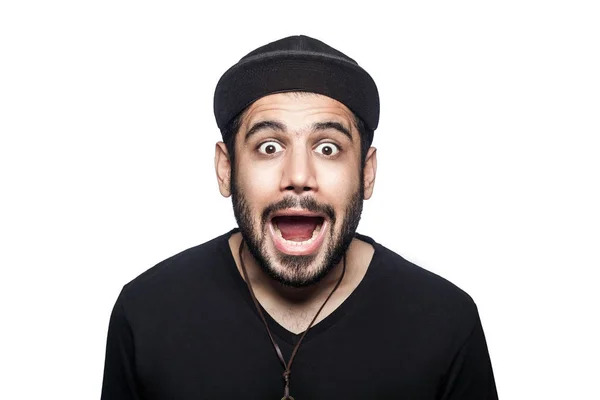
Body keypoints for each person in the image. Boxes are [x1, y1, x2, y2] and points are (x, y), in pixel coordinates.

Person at [100, 35, 498, 400]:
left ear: (366, 172)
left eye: (327, 148)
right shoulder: (146, 312)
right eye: (269, 147)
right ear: (226, 168)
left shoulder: (446, 323)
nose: (298, 177)